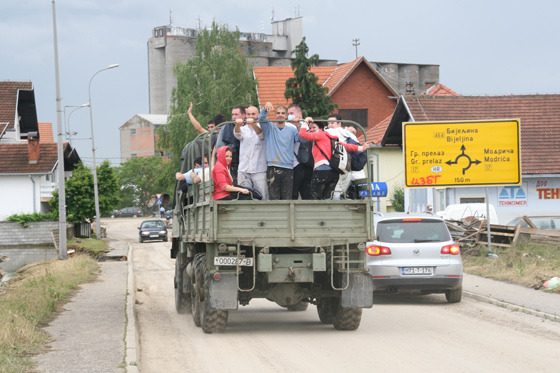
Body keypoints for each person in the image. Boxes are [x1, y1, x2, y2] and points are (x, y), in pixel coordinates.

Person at [299, 118, 371, 200]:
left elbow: (302, 134)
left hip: (322, 171)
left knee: (315, 198)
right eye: (310, 128)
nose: (311, 130)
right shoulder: (331, 138)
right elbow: (346, 146)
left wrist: (305, 122)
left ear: (321, 129)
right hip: (334, 173)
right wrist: (361, 148)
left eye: (314, 128)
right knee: (328, 199)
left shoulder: (320, 135)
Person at [258, 102, 307, 200]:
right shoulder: (269, 127)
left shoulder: (292, 129)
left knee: (287, 199)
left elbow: (303, 139)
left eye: (283, 113)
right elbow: (261, 118)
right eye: (278, 113)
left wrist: (298, 125)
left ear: (286, 116)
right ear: (275, 115)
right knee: (274, 199)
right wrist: (265, 108)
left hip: (288, 167)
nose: (280, 115)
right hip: (273, 167)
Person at [234, 106, 269, 200]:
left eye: (253, 114)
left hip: (259, 169)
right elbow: (237, 134)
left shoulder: (263, 127)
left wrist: (253, 124)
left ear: (257, 115)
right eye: (249, 114)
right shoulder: (244, 129)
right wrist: (237, 125)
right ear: (245, 116)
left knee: (263, 195)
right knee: (243, 196)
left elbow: (261, 134)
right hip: (244, 168)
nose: (251, 116)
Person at [326, 113, 362, 199]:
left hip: (337, 166)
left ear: (339, 124)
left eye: (332, 123)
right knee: (338, 191)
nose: (330, 125)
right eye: (328, 123)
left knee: (334, 192)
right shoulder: (348, 133)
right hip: (345, 167)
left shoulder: (329, 132)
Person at [288, 104, 313, 200]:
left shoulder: (306, 125)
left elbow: (303, 138)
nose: (289, 116)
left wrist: (298, 125)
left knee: (306, 193)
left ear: (299, 115)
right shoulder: (287, 125)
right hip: (293, 163)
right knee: (293, 192)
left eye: (291, 113)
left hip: (305, 162)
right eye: (288, 113)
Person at [215, 105, 245, 183]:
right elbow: (219, 149)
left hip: (247, 163)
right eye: (232, 114)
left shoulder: (249, 127)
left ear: (243, 115)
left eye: (236, 114)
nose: (234, 117)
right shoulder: (225, 128)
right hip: (231, 163)